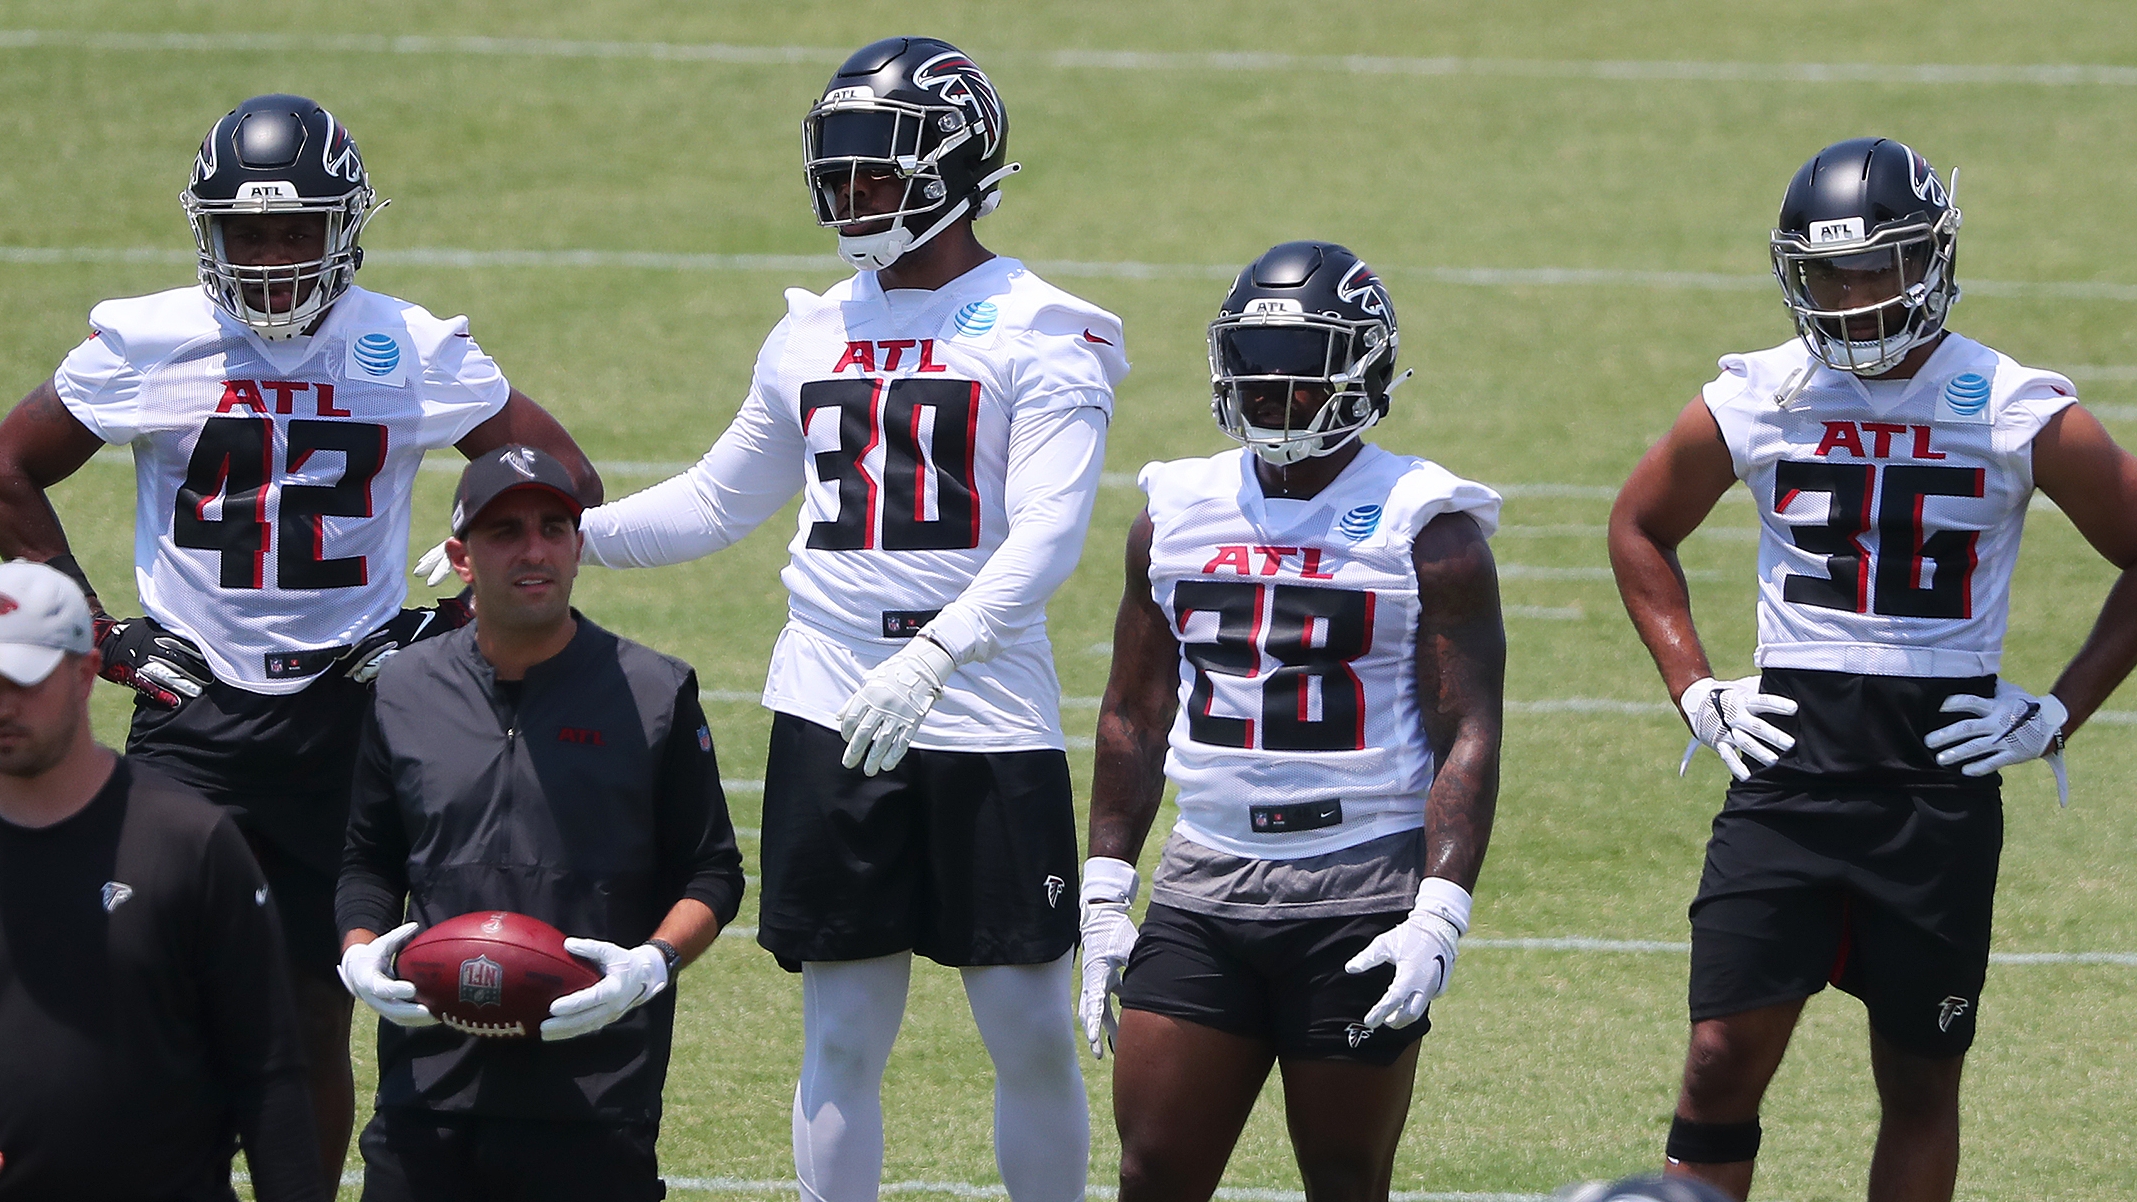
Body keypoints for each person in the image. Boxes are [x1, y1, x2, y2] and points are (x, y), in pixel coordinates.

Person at [0, 94, 603, 1188]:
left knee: (316, 1003)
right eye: (247, 232)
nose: (273, 258)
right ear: (207, 234)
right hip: (192, 707)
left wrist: (454, 616)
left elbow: (560, 485)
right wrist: (102, 634)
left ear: (346, 226)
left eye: (297, 231)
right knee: (140, 983)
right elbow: (6, 468)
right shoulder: (149, 339)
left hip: (354, 710)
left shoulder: (406, 345)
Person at [564, 36, 1125, 1202]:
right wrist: (561, 540)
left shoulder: (1044, 324)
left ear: (962, 167)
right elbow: (721, 497)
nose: (854, 194)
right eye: (843, 171)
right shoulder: (809, 329)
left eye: (883, 171)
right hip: (825, 694)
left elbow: (1048, 534)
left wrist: (932, 655)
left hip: (979, 698)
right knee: (840, 1032)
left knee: (1025, 1024)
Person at [1609, 137, 2137, 1202]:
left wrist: (2057, 711)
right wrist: (1697, 688)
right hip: (1788, 770)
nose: (1850, 296)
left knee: (1918, 1075)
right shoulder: (1759, 392)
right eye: (1826, 272)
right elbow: (1637, 525)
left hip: (1933, 782)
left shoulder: (2008, 403)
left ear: (1931, 260)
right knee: (1717, 1058)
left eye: (1875, 266)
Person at [1079, 241, 1505, 1202]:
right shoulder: (1173, 511)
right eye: (1255, 365)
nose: (1271, 389)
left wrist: (1438, 909)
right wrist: (1106, 893)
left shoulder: (1425, 524)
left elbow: (1467, 731)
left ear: (1363, 369)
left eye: (1302, 369)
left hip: (1358, 884)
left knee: (1344, 1182)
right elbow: (1134, 717)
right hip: (1202, 881)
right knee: (1150, 1175)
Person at [336, 446, 743, 1200]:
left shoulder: (654, 691)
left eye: (554, 528)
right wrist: (359, 953)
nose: (534, 550)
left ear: (579, 546)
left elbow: (712, 873)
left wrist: (651, 965)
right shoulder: (403, 688)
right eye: (505, 532)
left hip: (595, 1092)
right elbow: (368, 862)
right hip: (427, 1090)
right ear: (460, 557)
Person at [0, 559, 322, 1201]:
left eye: (24, 681)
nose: (3, 705)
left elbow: (268, 1071)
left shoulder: (187, 841)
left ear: (85, 674)